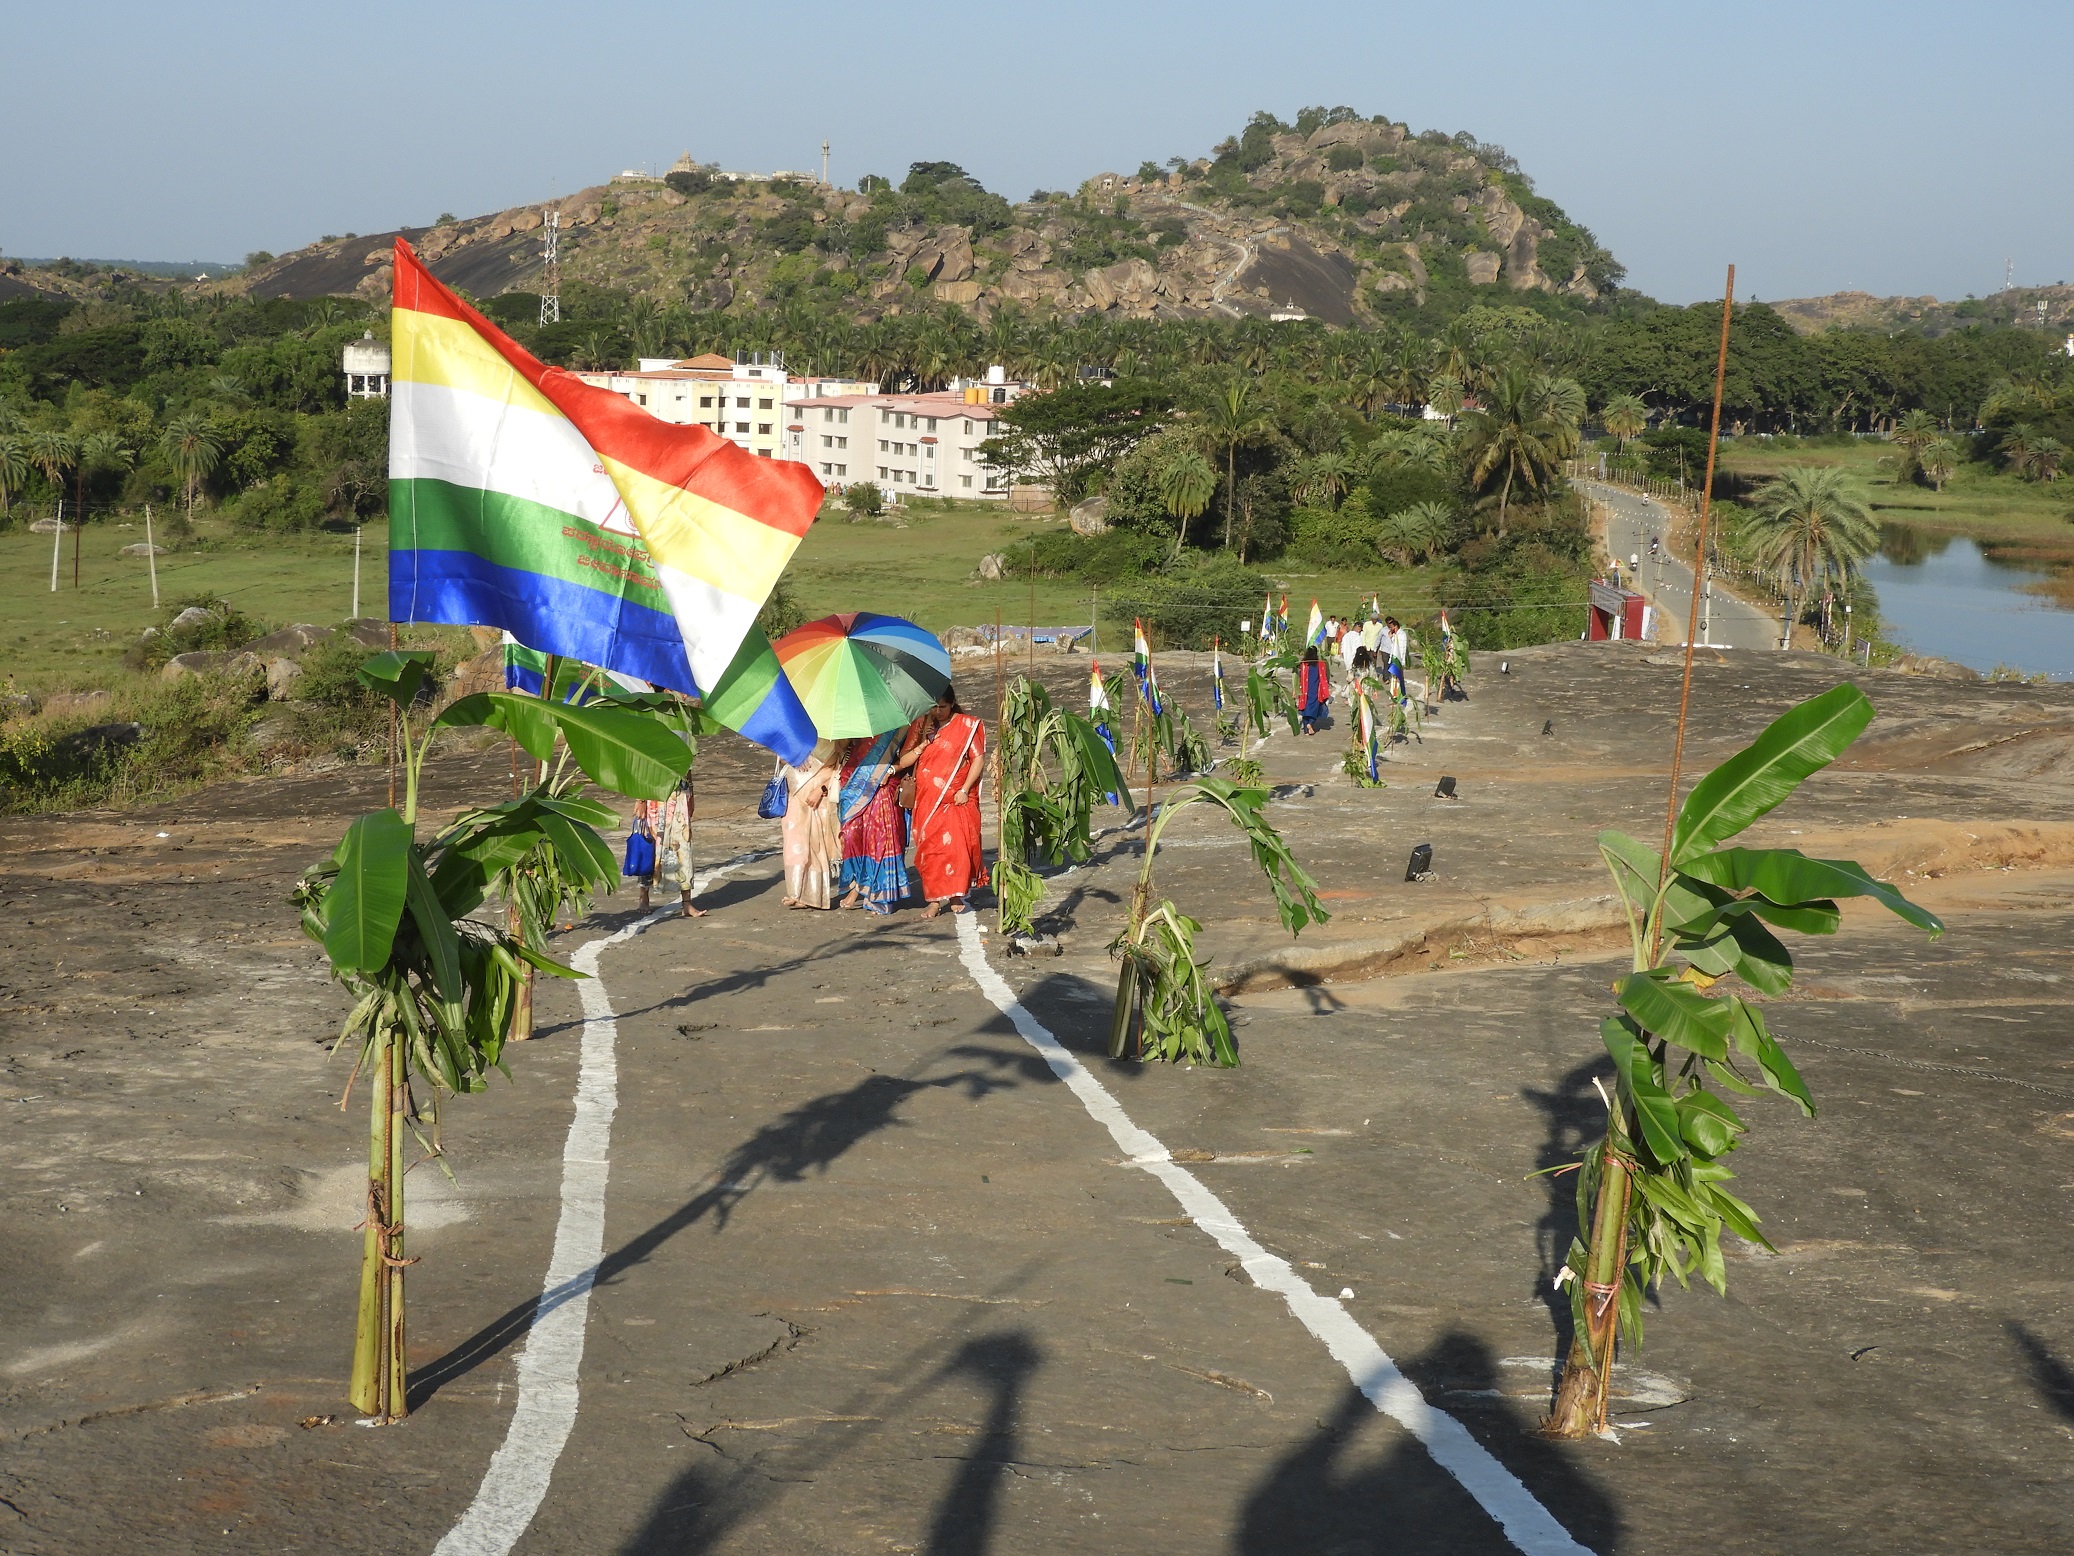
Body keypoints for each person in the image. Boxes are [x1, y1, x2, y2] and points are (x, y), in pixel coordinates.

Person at [896, 687, 988, 917]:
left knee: (957, 848)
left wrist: (965, 789)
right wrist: (923, 744)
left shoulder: (966, 726)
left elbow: (978, 759)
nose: (938, 712)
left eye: (943, 707)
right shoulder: (921, 725)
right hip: (927, 800)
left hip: (955, 799)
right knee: (931, 850)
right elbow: (904, 760)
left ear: (953, 704)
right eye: (934, 707)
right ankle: (934, 900)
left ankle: (957, 894)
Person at [835, 727, 910, 915]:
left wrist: (892, 769)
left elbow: (913, 752)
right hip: (854, 785)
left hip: (885, 786)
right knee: (852, 837)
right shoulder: (854, 719)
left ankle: (880, 895)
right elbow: (843, 751)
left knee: (880, 840)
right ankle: (857, 887)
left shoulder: (898, 723)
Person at [780, 739, 842, 909]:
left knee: (816, 845)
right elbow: (781, 754)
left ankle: (812, 896)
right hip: (794, 791)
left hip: (819, 796)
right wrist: (794, 757)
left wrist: (822, 789)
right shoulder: (798, 729)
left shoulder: (836, 733)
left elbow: (841, 768)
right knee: (794, 844)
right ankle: (795, 892)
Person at [633, 775, 704, 918]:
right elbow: (642, 767)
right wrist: (640, 799)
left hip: (680, 794)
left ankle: (687, 902)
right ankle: (644, 896)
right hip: (653, 794)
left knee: (684, 847)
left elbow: (687, 767)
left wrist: (691, 793)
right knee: (650, 846)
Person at [1296, 645, 1330, 735]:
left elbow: (1299, 677)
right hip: (1315, 690)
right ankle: (1310, 723)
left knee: (1305, 709)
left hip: (1304, 691)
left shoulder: (1303, 664)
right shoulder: (1319, 664)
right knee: (1315, 709)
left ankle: (1307, 731)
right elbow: (1323, 677)